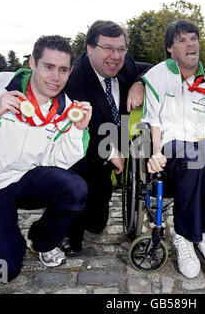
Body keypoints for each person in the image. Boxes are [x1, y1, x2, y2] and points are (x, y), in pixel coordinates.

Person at [0, 35, 92, 282]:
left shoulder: (67, 107)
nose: (56, 78)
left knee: (74, 188)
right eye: (49, 67)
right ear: (33, 62)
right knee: (2, 272)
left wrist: (78, 130)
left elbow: (60, 162)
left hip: (27, 179)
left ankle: (40, 241)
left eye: (63, 70)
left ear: (70, 71)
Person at [142, 19, 205, 283]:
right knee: (197, 155)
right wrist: (155, 151)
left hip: (201, 144)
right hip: (170, 145)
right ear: (170, 48)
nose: (190, 44)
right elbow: (154, 120)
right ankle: (184, 235)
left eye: (193, 39)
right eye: (181, 40)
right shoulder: (157, 76)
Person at [62, 20, 152, 254]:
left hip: (116, 140)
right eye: (108, 48)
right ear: (90, 49)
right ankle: (65, 229)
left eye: (121, 49)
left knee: (97, 223)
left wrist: (141, 83)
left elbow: (155, 69)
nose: (116, 56)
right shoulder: (74, 79)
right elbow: (72, 134)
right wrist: (111, 151)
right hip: (82, 152)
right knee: (80, 191)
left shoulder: (126, 64)